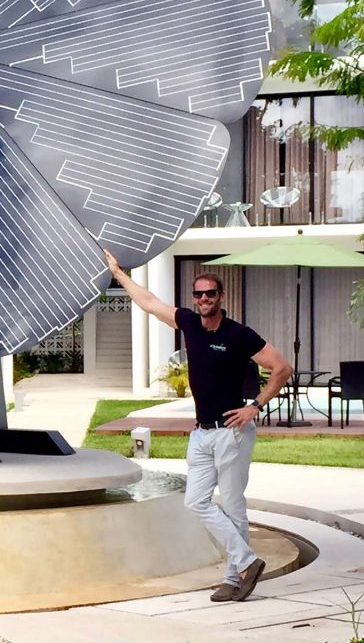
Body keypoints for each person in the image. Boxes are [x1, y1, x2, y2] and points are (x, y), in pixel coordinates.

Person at [103, 250, 292, 603]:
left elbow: (281, 367)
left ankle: (234, 578)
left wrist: (255, 406)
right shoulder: (189, 323)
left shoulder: (238, 334)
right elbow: (148, 302)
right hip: (202, 432)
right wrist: (119, 274)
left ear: (221, 297)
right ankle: (248, 562)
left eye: (210, 294)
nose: (204, 299)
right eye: (198, 294)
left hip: (232, 431)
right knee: (196, 500)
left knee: (234, 506)